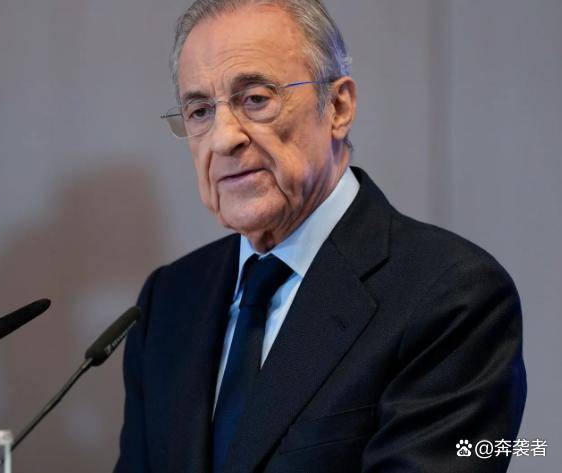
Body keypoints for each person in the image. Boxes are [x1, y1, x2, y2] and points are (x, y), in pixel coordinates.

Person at [116, 1, 526, 471]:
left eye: (256, 99)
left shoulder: (451, 296)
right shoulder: (168, 301)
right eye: (200, 110)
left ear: (338, 106)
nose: (223, 138)